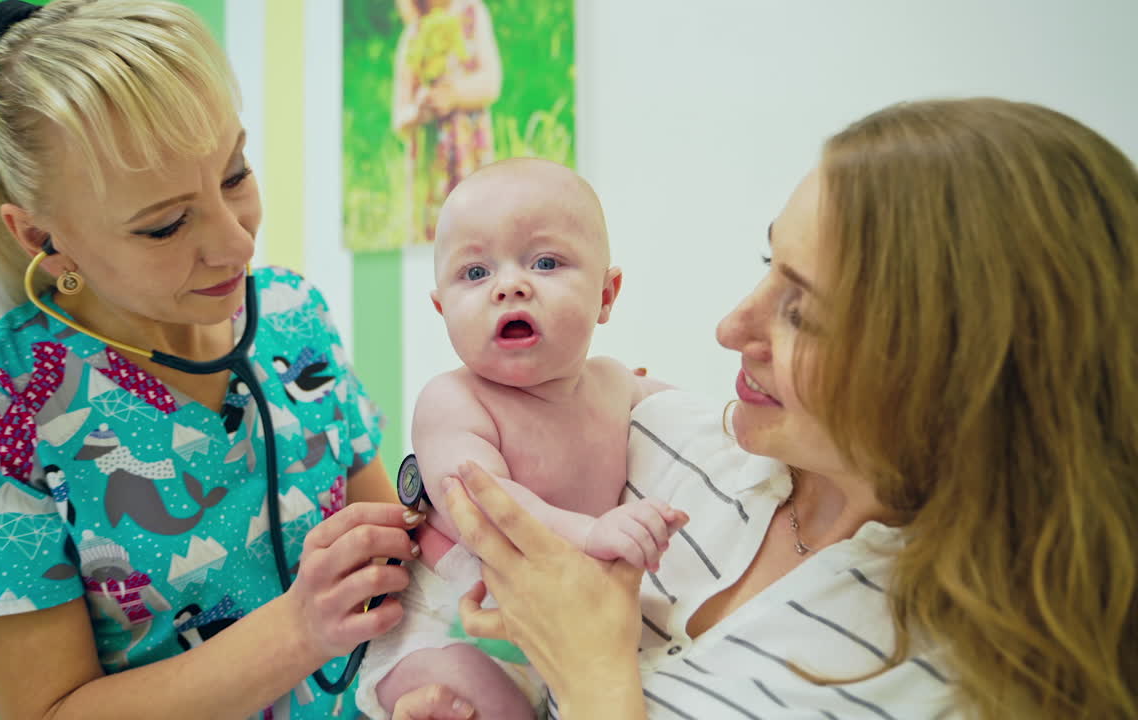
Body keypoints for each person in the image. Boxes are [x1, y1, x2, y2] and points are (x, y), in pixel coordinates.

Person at [438, 99, 1138, 719]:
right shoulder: (657, 433)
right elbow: (474, 465)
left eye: (800, 311)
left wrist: (595, 681)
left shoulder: (960, 684)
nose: (730, 328)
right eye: (765, 265)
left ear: (957, 372)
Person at [0, 1, 446, 717]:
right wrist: (297, 630)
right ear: (42, 235)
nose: (236, 244)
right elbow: (47, 711)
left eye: (234, 175)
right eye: (165, 224)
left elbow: (394, 560)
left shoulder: (294, 318)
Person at [357, 159, 688, 719]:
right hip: (446, 626)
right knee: (483, 697)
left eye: (545, 261)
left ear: (606, 296)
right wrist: (591, 532)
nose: (510, 285)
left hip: (556, 625)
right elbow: (484, 504)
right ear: (443, 310)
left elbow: (694, 419)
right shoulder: (452, 402)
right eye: (475, 273)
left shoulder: (614, 384)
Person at [392, 0, 501, 244]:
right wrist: (420, 111)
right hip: (431, 165)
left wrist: (455, 95)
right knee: (436, 232)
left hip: (469, 153)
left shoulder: (472, 15)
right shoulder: (414, 33)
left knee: (478, 225)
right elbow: (400, 117)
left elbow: (491, 83)